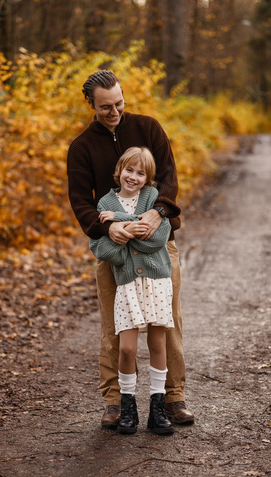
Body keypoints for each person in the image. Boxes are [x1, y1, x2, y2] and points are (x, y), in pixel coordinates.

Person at [67, 69, 194, 429]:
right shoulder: (81, 148)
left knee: (168, 323)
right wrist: (110, 224)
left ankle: (173, 397)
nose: (115, 111)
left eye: (119, 103)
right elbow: (80, 203)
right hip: (115, 251)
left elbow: (169, 177)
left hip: (159, 248)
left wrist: (158, 213)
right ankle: (115, 402)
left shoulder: (148, 128)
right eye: (106, 107)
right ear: (90, 104)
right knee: (114, 326)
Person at [89, 147, 174, 434]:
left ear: (148, 177)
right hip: (125, 284)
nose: (133, 177)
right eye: (129, 170)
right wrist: (129, 229)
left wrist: (121, 225)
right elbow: (102, 249)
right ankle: (128, 408)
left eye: (141, 173)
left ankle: (157, 408)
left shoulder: (152, 198)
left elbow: (158, 239)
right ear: (119, 170)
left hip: (156, 282)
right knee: (126, 347)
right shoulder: (105, 203)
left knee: (158, 344)